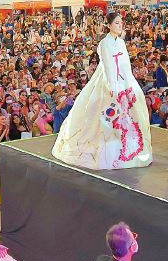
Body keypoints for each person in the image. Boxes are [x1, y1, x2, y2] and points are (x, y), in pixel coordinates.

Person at [53, 13, 153, 170]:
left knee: (130, 113)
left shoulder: (120, 42)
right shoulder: (104, 44)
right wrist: (113, 88)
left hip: (124, 80)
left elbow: (126, 65)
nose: (120, 25)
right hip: (107, 81)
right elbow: (108, 67)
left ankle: (127, 146)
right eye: (117, 23)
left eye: (121, 23)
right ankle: (103, 149)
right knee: (102, 114)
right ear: (109, 25)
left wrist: (129, 85)